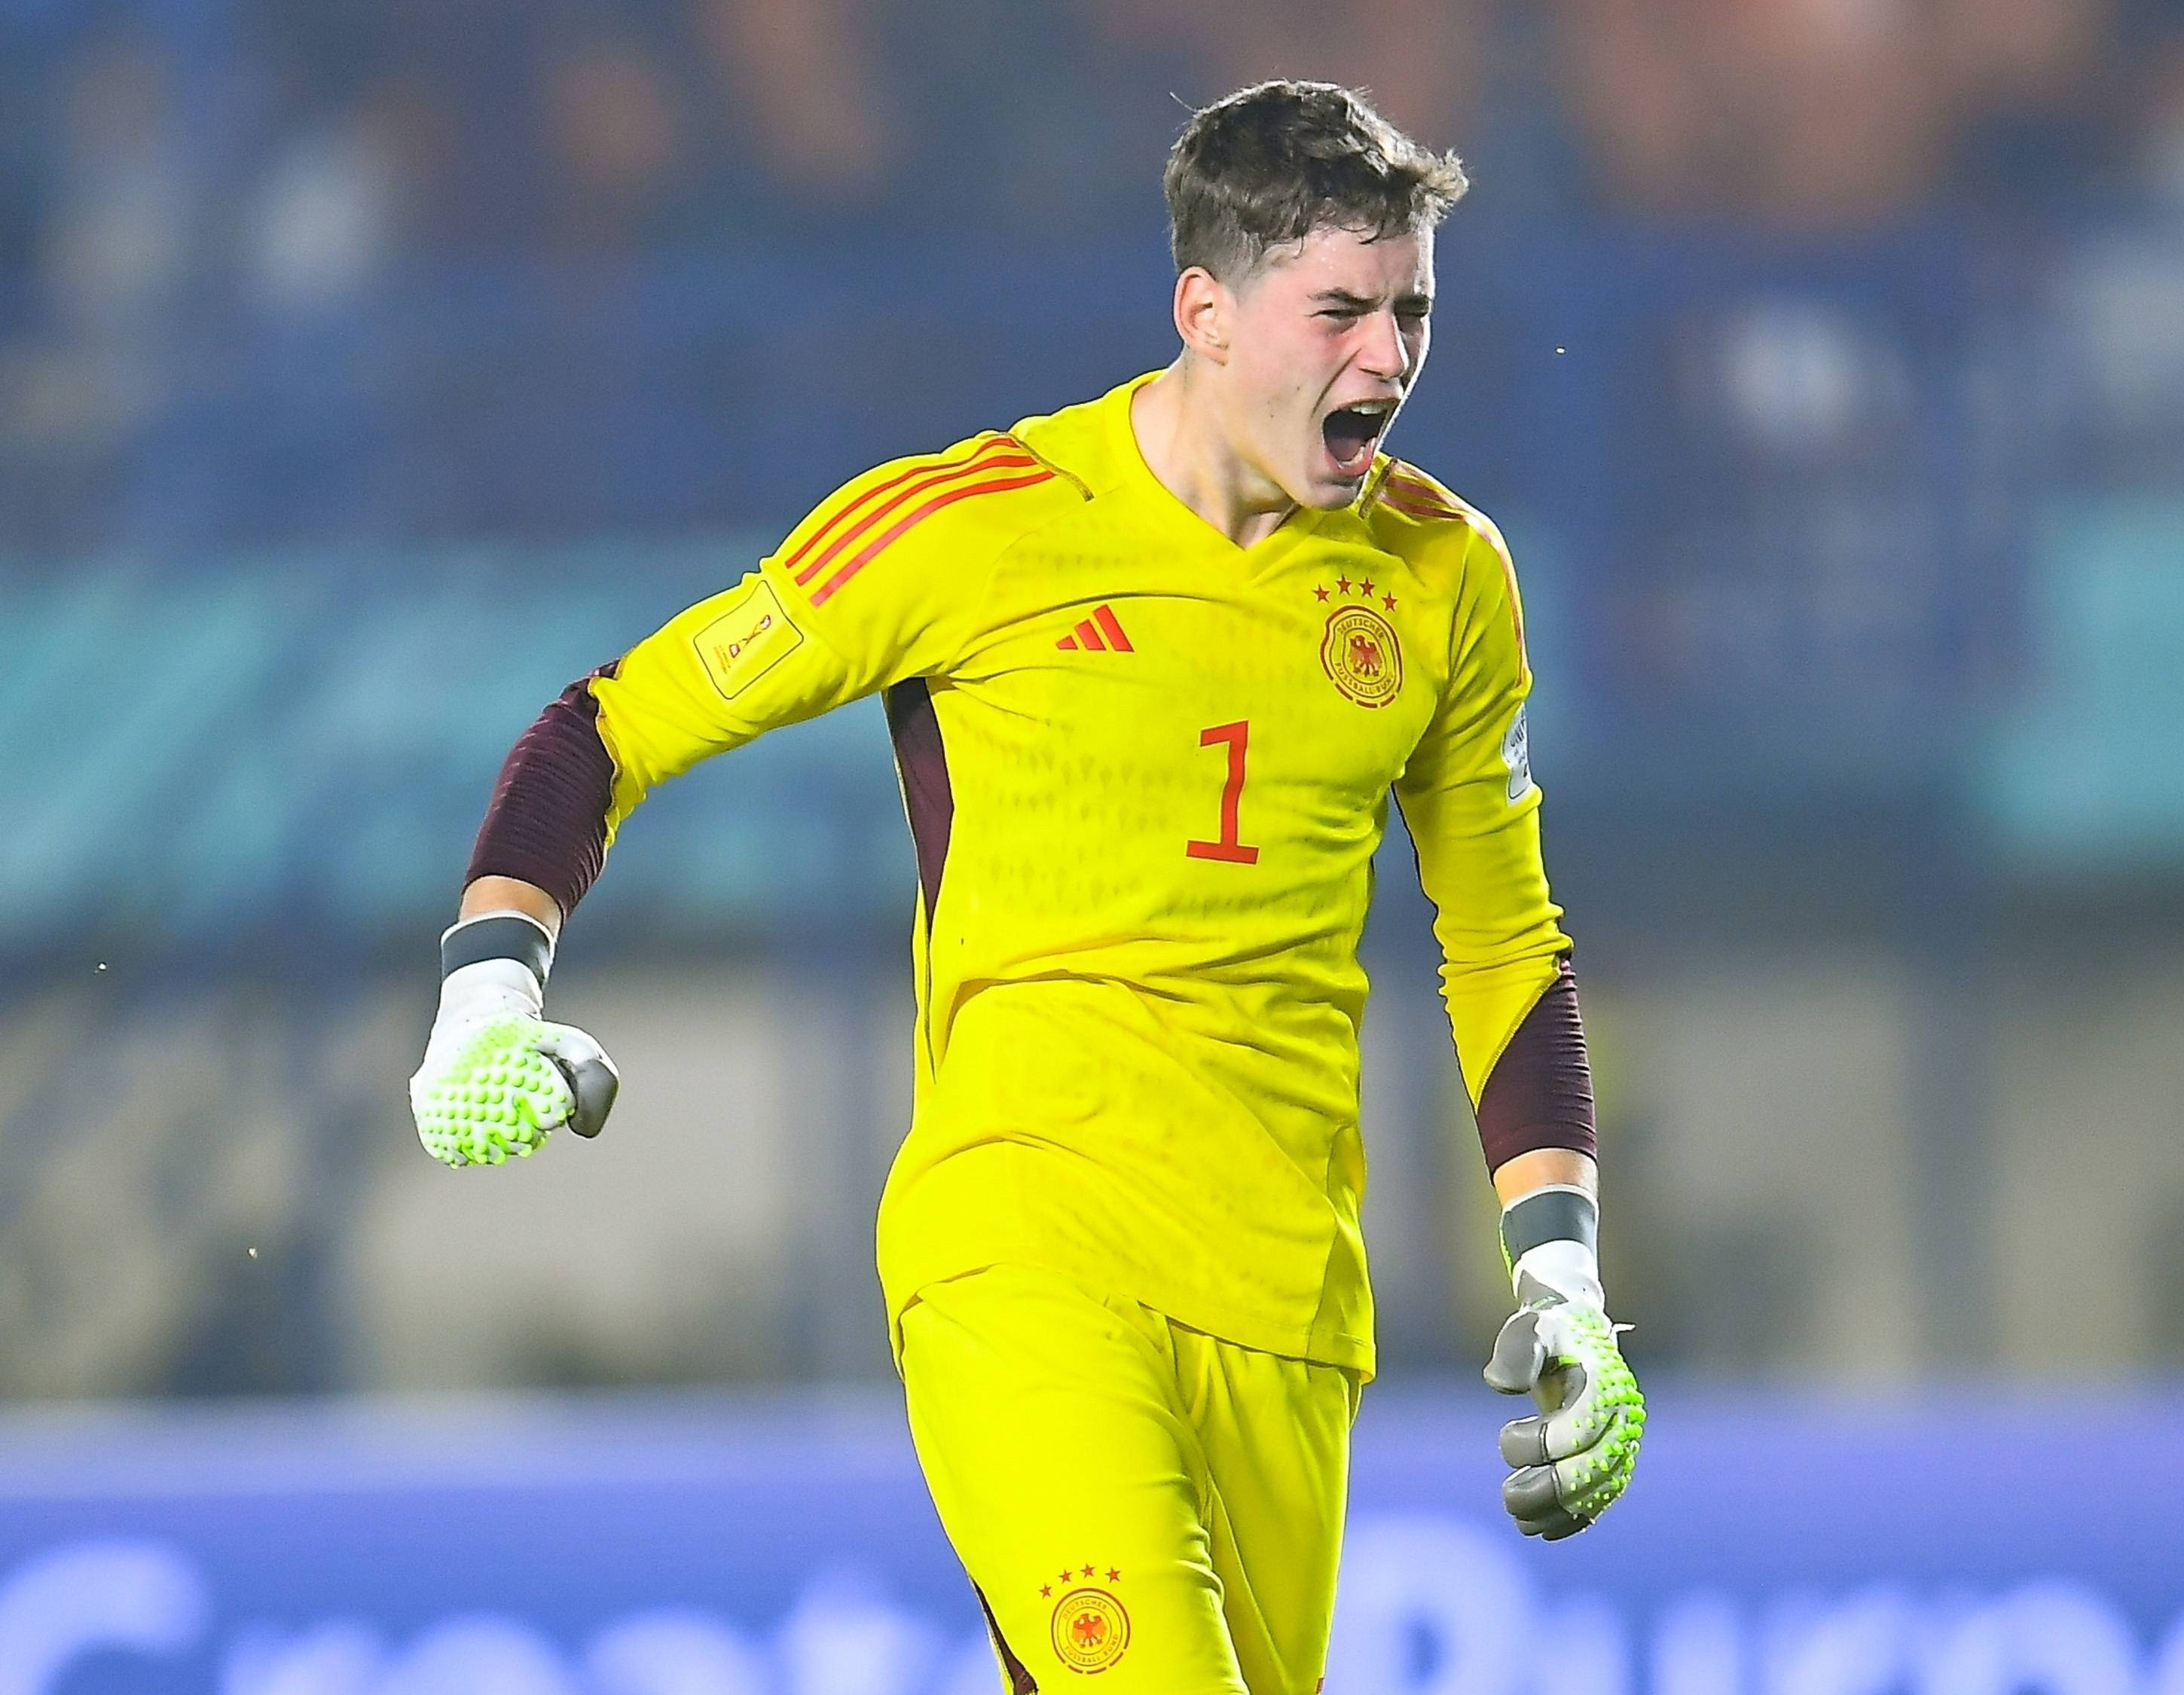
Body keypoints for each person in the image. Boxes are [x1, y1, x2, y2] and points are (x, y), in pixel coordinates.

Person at [405, 80, 1641, 1695]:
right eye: (1339, 311)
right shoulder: (974, 529)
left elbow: (1499, 940)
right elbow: (606, 725)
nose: (1388, 360)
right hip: (1023, 1253)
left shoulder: (1443, 576)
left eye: (1410, 311)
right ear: (1204, 309)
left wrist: (1562, 1275)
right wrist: (485, 997)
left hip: (1287, 1303)